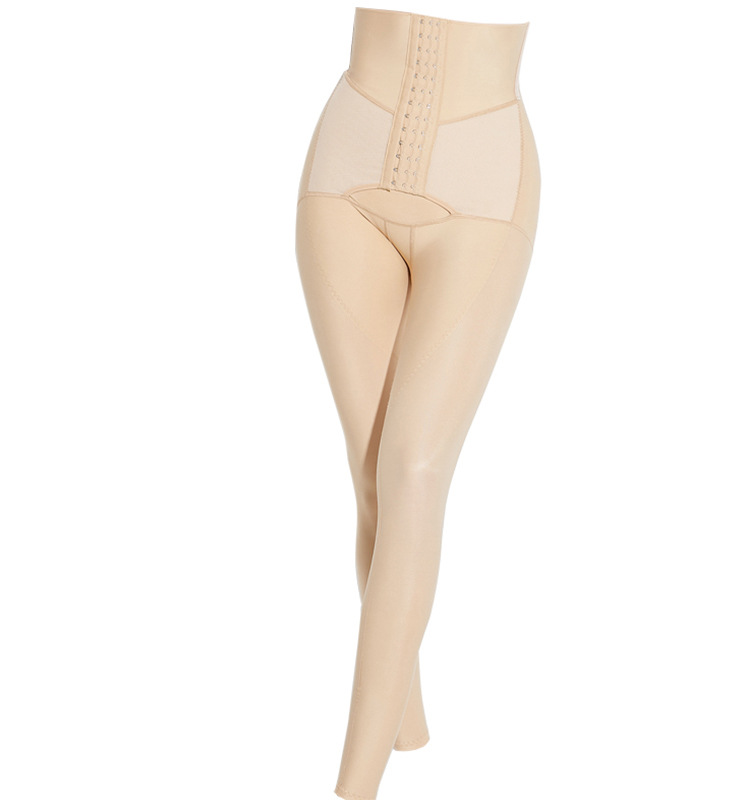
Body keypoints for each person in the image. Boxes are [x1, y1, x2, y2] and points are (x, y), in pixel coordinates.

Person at [294, 7, 541, 799]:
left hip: (482, 183)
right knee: (374, 477)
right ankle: (408, 727)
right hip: (347, 166)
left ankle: (352, 791)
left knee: (414, 470)